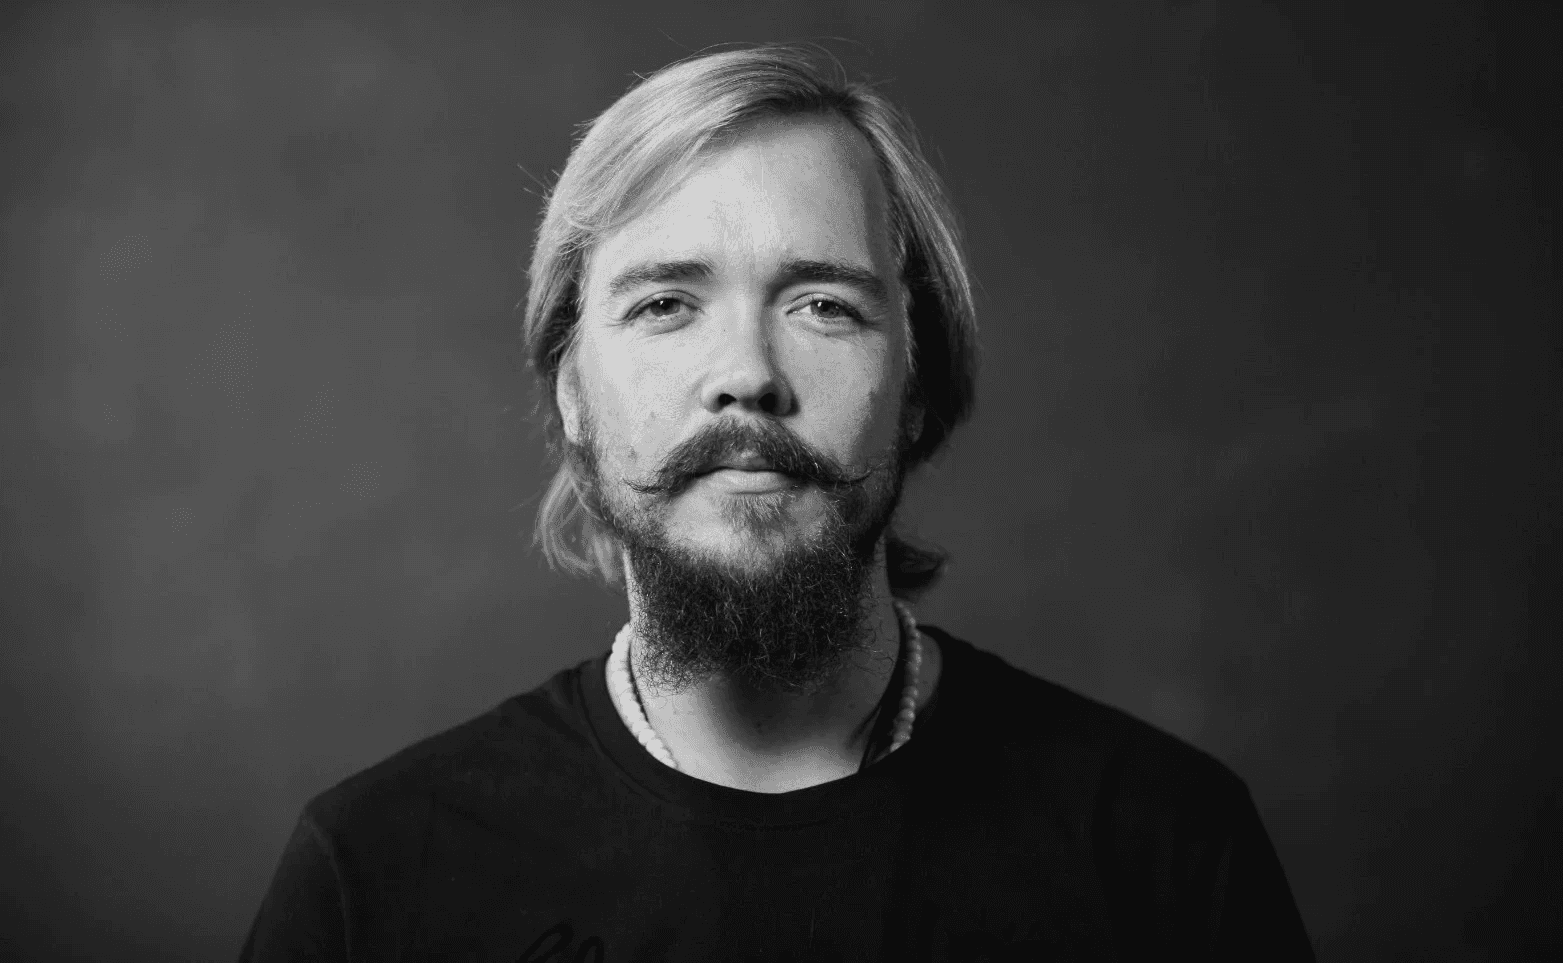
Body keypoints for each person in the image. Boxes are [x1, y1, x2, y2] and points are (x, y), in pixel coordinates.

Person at [241, 44, 1314, 961]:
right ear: (571, 388)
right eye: (666, 303)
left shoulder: (1164, 846)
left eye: (822, 305)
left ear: (918, 383)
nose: (747, 373)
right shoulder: (376, 876)